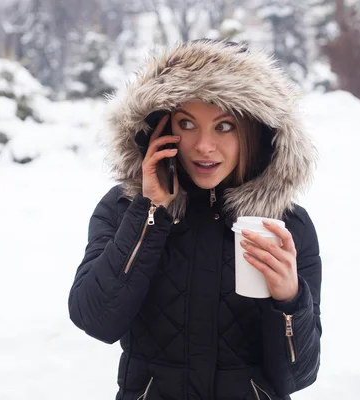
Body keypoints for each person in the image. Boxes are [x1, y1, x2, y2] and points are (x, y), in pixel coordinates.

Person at [68, 39, 322, 400]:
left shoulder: (286, 225)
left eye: (224, 127)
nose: (204, 145)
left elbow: (299, 375)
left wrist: (289, 301)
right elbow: (95, 319)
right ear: (161, 131)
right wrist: (151, 211)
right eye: (187, 124)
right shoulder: (126, 208)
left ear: (255, 131)